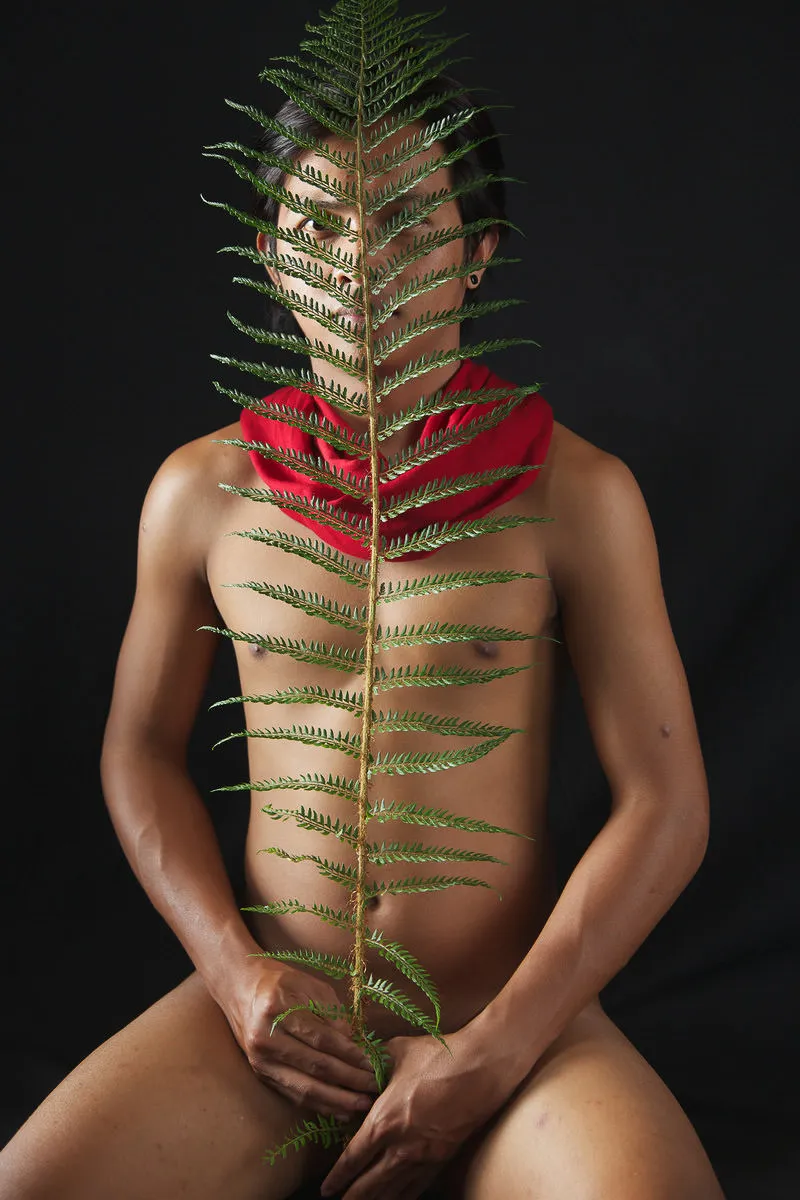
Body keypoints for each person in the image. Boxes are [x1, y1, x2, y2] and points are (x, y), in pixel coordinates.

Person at [0, 74, 725, 1200]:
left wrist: (496, 1050)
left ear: (476, 252)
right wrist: (236, 978)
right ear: (271, 257)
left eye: (402, 222)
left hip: (503, 1024)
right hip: (274, 1027)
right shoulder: (200, 492)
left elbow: (666, 803)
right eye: (318, 226)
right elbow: (137, 750)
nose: (357, 261)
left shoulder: (578, 493)